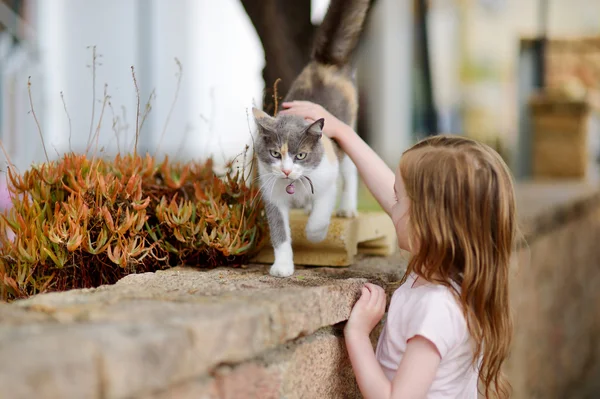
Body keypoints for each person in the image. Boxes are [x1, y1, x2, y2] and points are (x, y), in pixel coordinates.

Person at [280, 101, 517, 399]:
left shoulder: (437, 308)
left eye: (399, 199)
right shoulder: (447, 277)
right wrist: (343, 133)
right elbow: (388, 188)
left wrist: (356, 335)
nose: (392, 204)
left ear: (428, 222)